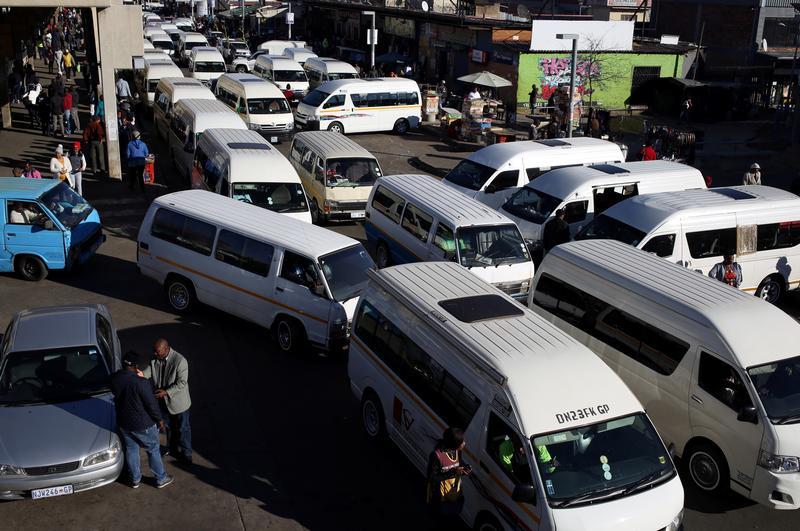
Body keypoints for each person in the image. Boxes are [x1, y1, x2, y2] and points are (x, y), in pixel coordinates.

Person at [110, 351, 174, 489]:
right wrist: (160, 420)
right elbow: (151, 404)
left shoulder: (114, 378)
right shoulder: (141, 382)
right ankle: (161, 478)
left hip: (124, 423)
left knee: (131, 449)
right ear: (136, 366)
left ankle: (135, 479)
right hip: (143, 424)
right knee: (153, 449)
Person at [143, 339, 192, 465]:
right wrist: (139, 374)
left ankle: (187, 453)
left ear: (166, 349)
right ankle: (172, 449)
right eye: (154, 351)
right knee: (169, 427)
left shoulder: (180, 361)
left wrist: (166, 392)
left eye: (157, 351)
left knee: (183, 428)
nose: (154, 354)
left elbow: (182, 383)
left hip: (179, 404)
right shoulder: (155, 358)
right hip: (163, 402)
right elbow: (148, 371)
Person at [427, 427, 470, 527]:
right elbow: (432, 478)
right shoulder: (436, 456)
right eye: (462, 442)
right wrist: (453, 472)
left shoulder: (457, 451)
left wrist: (464, 469)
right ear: (454, 444)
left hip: (454, 496)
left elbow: (458, 465)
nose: (464, 443)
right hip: (439, 500)